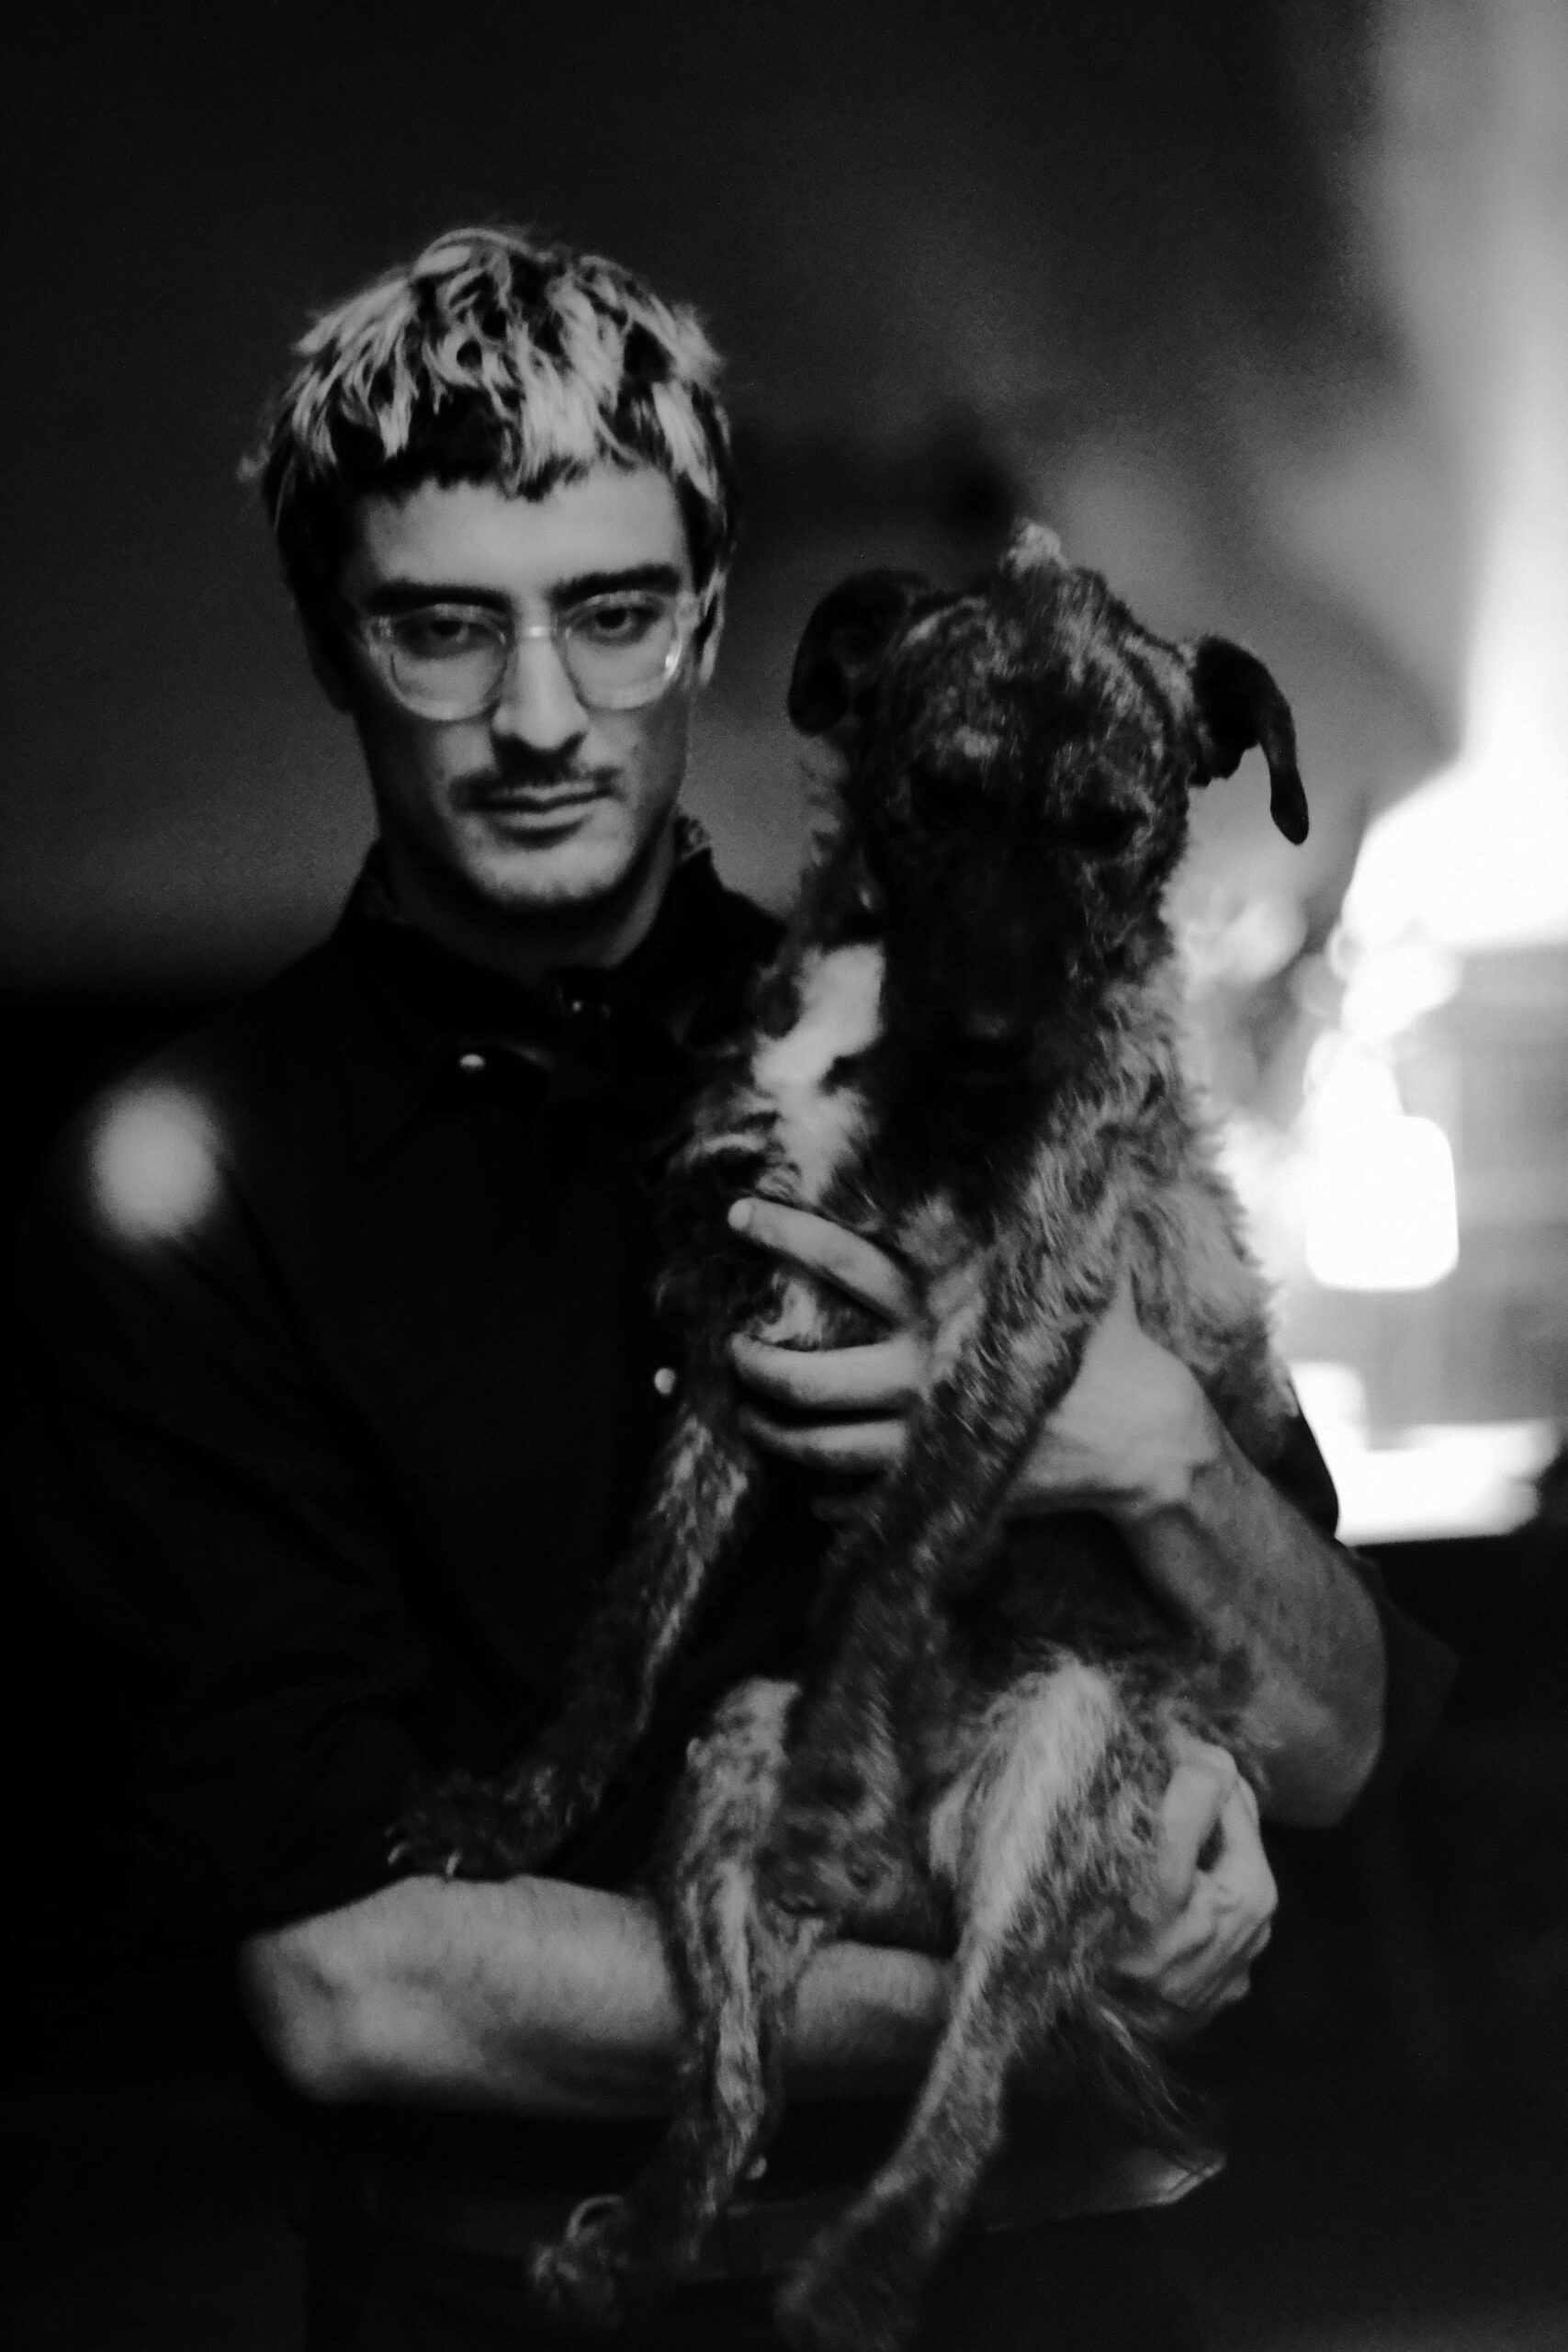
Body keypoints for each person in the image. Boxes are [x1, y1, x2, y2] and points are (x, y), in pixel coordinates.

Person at [12, 226, 1452, 2352]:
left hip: (1055, 2299)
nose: (536, 716)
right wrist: (1021, 1990)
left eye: (608, 612)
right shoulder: (197, 1196)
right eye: (439, 625)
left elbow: (1335, 1737)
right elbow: (347, 1982)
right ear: (334, 640)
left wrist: (1154, 1455)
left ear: (703, 620)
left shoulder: (975, 1036)